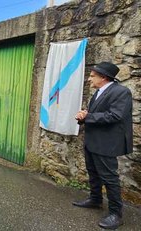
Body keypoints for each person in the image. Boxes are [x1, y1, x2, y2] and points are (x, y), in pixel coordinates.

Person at [74, 62, 133, 230]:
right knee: (93, 172)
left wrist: (89, 116)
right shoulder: (99, 92)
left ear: (104, 77)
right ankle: (95, 199)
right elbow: (96, 113)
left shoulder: (122, 92)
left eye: (92, 76)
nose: (89, 79)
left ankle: (116, 214)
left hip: (107, 143)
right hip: (93, 141)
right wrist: (83, 115)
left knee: (109, 177)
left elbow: (115, 115)